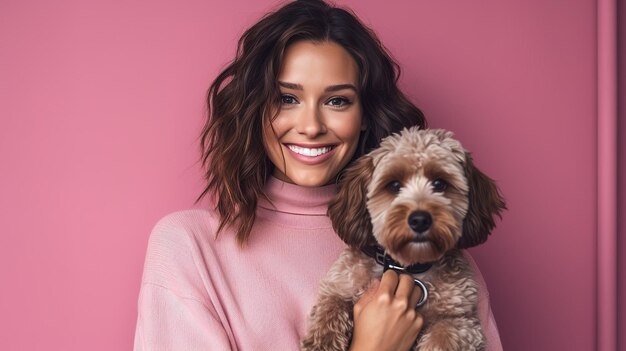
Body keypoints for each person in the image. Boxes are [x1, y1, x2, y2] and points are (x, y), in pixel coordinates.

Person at [133, 0, 503, 350]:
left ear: (363, 117)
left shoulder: (439, 256)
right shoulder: (190, 248)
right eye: (287, 98)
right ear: (256, 109)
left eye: (337, 100)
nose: (311, 126)